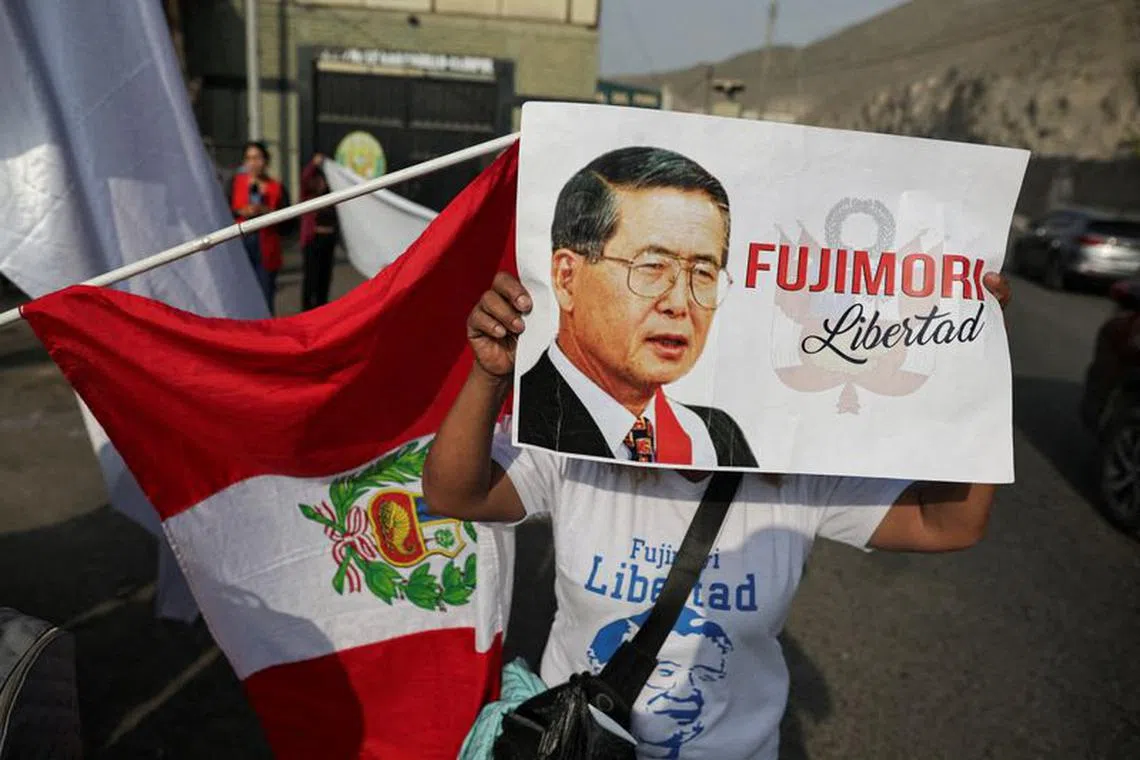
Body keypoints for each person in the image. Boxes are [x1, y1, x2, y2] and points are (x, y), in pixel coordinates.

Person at [422, 269, 1013, 759]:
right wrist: (490, 374)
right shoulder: (579, 451)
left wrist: (978, 376)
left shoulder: (797, 472)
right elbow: (455, 495)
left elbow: (949, 522)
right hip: (576, 744)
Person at [518, 146, 754, 468]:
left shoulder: (716, 440)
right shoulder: (510, 426)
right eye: (652, 266)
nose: (678, 304)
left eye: (702, 273)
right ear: (566, 278)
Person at [229, 140, 290, 314]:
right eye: (249, 158)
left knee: (265, 297)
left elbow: (289, 224)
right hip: (240, 242)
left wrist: (267, 211)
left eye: (257, 158)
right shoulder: (236, 182)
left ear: (266, 161)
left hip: (266, 246)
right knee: (239, 296)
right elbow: (223, 210)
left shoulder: (277, 187)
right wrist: (241, 211)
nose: (253, 163)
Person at [299, 153, 340, 311]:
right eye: (318, 181)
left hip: (328, 241)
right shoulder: (308, 195)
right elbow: (305, 178)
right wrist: (314, 164)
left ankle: (321, 311)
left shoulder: (332, 196)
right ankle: (307, 312)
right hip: (312, 240)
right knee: (311, 279)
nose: (321, 184)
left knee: (324, 278)